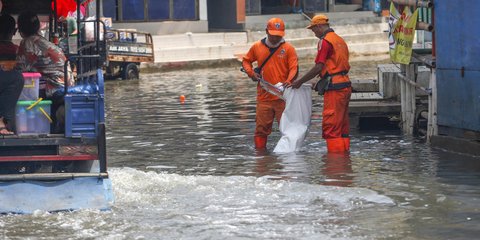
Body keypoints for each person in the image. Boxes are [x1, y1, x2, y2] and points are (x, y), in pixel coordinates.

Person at [289, 14, 352, 152]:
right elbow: (335, 67)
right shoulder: (339, 40)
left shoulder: (325, 41)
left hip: (335, 88)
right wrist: (318, 81)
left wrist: (299, 81)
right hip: (345, 85)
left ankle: (334, 166)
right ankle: (345, 162)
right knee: (342, 126)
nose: (314, 33)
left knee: (331, 127)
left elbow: (319, 66)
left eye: (313, 30)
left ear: (319, 26)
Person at [242, 17, 298, 149]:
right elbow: (246, 61)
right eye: (273, 35)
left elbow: (294, 68)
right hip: (264, 96)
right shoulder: (257, 47)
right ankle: (261, 157)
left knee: (287, 129)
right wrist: (251, 73)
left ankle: (288, 155)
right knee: (261, 129)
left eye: (278, 36)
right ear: (266, 31)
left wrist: (289, 81)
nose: (275, 39)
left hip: (283, 97)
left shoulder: (289, 49)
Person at [16, 10, 74, 132]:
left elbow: (20, 70)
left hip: (55, 86)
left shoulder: (27, 42)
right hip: (67, 83)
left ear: (21, 29)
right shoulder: (41, 41)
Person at [0, 14, 24, 135]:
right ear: (14, 31)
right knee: (17, 79)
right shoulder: (15, 49)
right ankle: (1, 122)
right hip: (8, 81)